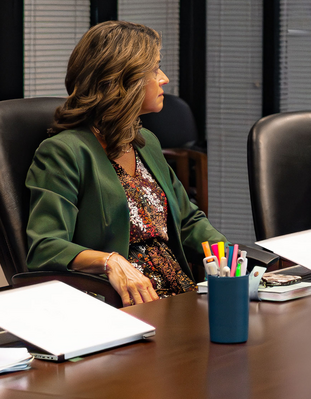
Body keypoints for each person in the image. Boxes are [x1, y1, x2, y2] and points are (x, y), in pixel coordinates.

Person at [26, 20, 227, 306]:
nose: (164, 78)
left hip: (179, 295)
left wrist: (230, 261)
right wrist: (110, 262)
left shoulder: (146, 141)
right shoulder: (63, 152)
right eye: (155, 69)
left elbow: (188, 223)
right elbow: (45, 247)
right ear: (124, 80)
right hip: (123, 304)